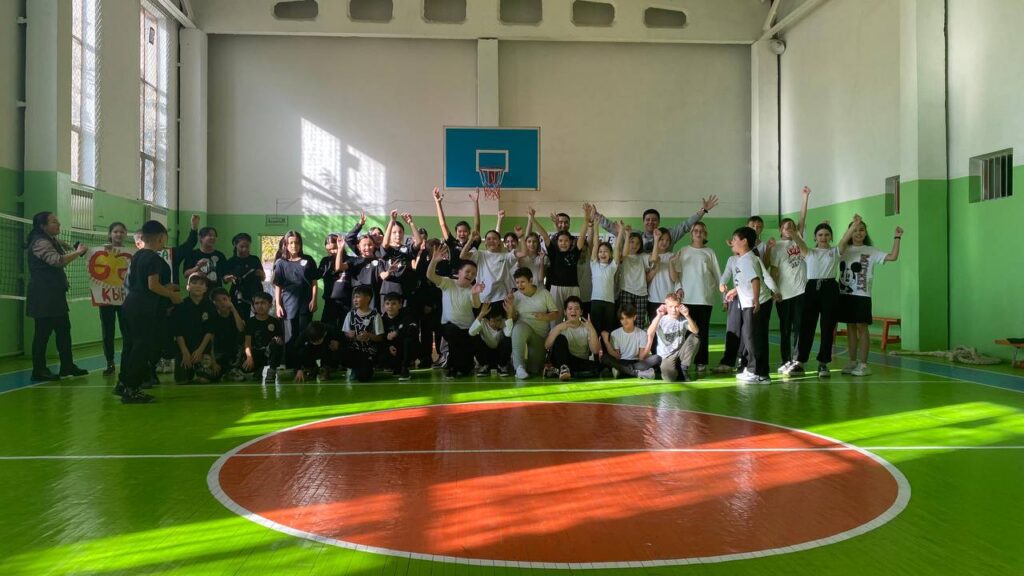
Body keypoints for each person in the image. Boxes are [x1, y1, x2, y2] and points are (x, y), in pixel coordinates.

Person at [118, 220, 182, 403]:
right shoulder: (153, 258)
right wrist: (172, 295)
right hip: (143, 308)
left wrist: (166, 287)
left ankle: (123, 383)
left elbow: (143, 284)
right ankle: (132, 389)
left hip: (130, 304)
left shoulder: (137, 256)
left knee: (131, 346)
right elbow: (152, 285)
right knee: (141, 347)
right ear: (161, 237)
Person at [25, 211, 89, 382]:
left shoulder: (48, 240)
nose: (58, 223)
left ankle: (67, 366)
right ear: (43, 226)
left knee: (63, 330)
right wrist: (78, 252)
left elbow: (55, 244)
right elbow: (58, 261)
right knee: (42, 333)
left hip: (54, 295)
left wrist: (62, 243)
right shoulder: (40, 242)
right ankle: (39, 370)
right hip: (43, 296)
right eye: (54, 222)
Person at [837, 214, 902, 376]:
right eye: (855, 230)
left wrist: (897, 237)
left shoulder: (871, 251)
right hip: (845, 295)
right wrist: (854, 224)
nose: (858, 233)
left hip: (862, 295)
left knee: (862, 327)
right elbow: (841, 242)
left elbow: (893, 256)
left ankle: (864, 364)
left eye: (861, 230)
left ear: (866, 232)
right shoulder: (843, 249)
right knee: (850, 328)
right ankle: (852, 361)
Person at [425, 243, 483, 379]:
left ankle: (463, 366)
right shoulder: (448, 283)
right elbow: (430, 275)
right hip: (449, 327)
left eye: (473, 274)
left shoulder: (472, 289)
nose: (470, 275)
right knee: (453, 335)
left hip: (467, 330)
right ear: (459, 272)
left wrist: (475, 294)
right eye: (467, 271)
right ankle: (452, 366)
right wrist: (434, 261)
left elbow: (476, 306)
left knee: (466, 369)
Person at [728, 226, 778, 384]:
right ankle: (762, 373)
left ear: (744, 241)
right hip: (757, 302)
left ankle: (753, 371)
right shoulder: (749, 258)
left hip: (755, 304)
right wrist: (735, 290)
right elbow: (754, 279)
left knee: (752, 338)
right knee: (757, 337)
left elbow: (755, 280)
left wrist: (756, 300)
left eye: (735, 239)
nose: (732, 242)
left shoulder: (746, 260)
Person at [674, 221, 722, 373]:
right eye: (695, 230)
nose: (698, 233)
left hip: (704, 299)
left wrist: (724, 298)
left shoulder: (710, 252)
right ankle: (684, 361)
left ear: (705, 234)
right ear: (691, 234)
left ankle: (701, 361)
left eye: (701, 231)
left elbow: (718, 275)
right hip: (686, 299)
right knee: (686, 332)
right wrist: (678, 288)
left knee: (702, 332)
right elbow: (677, 274)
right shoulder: (683, 251)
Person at [594, 195, 720, 252]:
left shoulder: (668, 235)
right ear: (643, 222)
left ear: (659, 222)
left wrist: (703, 211)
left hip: (662, 282)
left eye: (654, 220)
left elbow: (686, 225)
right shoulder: (635, 235)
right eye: (648, 219)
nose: (651, 222)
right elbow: (612, 228)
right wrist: (596, 215)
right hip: (640, 283)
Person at [767, 215, 809, 373]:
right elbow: (774, 270)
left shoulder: (799, 241)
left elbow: (802, 219)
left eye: (792, 226)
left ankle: (798, 360)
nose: (789, 229)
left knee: (800, 328)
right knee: (785, 329)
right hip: (784, 294)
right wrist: (774, 291)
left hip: (801, 292)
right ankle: (785, 360)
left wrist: (805, 201)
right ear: (780, 230)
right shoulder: (777, 247)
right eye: (786, 227)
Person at [273, 231, 319, 368]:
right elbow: (278, 286)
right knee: (290, 336)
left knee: (304, 335)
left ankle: (305, 365)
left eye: (297, 242)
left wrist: (314, 299)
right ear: (286, 245)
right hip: (288, 305)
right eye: (291, 243)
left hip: (306, 304)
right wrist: (278, 305)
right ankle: (291, 365)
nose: (294, 245)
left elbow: (314, 282)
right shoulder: (281, 263)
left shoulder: (308, 260)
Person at [508, 267, 560, 379]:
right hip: (523, 327)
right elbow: (512, 319)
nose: (520, 285)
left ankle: (526, 365)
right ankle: (519, 367)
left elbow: (556, 313)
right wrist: (510, 308)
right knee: (518, 329)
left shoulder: (544, 293)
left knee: (535, 369)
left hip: (540, 334)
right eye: (517, 282)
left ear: (531, 281)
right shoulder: (515, 296)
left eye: (522, 282)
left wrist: (545, 316)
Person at [543, 205, 590, 321]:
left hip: (572, 285)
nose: (563, 243)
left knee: (573, 318)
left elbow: (582, 235)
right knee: (555, 318)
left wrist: (587, 216)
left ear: (570, 242)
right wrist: (532, 219)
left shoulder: (574, 250)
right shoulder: (554, 249)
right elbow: (546, 236)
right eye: (561, 241)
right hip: (554, 284)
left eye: (566, 241)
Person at [646, 293, 700, 382]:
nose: (673, 310)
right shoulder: (661, 319)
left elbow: (696, 331)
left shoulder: (683, 320)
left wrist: (687, 315)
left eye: (676, 307)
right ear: (666, 307)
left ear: (680, 306)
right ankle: (677, 371)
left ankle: (684, 368)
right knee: (669, 378)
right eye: (670, 307)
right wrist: (659, 315)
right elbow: (649, 332)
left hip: (680, 354)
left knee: (695, 338)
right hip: (666, 356)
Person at [545, 296, 602, 381]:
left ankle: (559, 372)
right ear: (565, 312)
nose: (573, 311)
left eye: (576, 308)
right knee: (560, 338)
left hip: (578, 362)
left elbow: (595, 350)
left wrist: (591, 329)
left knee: (597, 368)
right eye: (570, 308)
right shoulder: (560, 327)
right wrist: (558, 328)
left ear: (581, 312)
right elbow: (547, 346)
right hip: (562, 361)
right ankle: (564, 370)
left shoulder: (587, 327)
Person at [98, 221, 130, 375]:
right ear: (110, 234)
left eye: (121, 232)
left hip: (124, 298)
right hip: (107, 298)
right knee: (108, 331)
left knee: (127, 330)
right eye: (116, 231)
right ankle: (109, 362)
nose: (118, 234)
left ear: (125, 234)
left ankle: (127, 360)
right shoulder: (101, 252)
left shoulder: (130, 253)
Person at [461, 229, 517, 312]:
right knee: (482, 320)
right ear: (485, 242)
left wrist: (521, 237)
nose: (492, 241)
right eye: (489, 239)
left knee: (501, 320)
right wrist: (471, 239)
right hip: (482, 298)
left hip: (500, 297)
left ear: (499, 242)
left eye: (494, 239)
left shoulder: (505, 256)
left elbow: (523, 253)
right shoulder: (479, 254)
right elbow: (462, 256)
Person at [173, 275, 216, 383]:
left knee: (204, 379)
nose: (198, 286)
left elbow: (209, 331)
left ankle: (199, 368)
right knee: (181, 380)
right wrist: (185, 352)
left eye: (201, 284)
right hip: (185, 348)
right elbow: (178, 332)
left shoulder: (210, 305)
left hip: (203, 349)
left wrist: (200, 350)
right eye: (194, 283)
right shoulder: (181, 305)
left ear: (205, 288)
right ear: (188, 287)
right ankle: (189, 369)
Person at [601, 304, 659, 379]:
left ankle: (622, 371)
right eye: (622, 318)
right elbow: (617, 356)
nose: (625, 321)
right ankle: (637, 373)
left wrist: (650, 339)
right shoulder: (615, 333)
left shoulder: (642, 334)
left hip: (636, 362)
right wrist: (606, 342)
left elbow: (641, 357)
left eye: (628, 318)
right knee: (605, 358)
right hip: (621, 361)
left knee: (657, 358)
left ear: (634, 317)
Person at [589, 217, 624, 340]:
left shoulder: (612, 267)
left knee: (607, 331)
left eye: (606, 251)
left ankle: (606, 350)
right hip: (596, 301)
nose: (602, 253)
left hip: (609, 303)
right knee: (595, 331)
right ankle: (595, 351)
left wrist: (620, 231)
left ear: (610, 254)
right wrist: (596, 226)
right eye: (600, 251)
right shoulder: (594, 265)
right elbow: (595, 244)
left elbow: (617, 247)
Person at [343, 285, 384, 382]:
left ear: (367, 298)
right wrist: (349, 335)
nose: (355, 300)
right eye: (354, 297)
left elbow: (380, 337)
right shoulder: (350, 315)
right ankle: (355, 368)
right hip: (354, 349)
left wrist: (369, 336)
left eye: (358, 297)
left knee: (363, 377)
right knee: (341, 353)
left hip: (369, 351)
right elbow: (345, 333)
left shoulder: (375, 315)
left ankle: (367, 368)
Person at [242, 292, 285, 383]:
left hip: (269, 353)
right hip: (256, 353)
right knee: (245, 370)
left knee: (276, 344)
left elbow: (280, 340)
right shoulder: (250, 322)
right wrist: (249, 358)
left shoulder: (274, 322)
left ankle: (272, 371)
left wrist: (279, 341)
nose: (259, 306)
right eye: (256, 303)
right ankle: (258, 369)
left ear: (270, 305)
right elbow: (247, 343)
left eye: (263, 303)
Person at [224, 232, 265, 321]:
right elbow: (225, 280)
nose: (245, 249)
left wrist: (261, 274)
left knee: (256, 320)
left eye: (247, 246)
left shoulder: (255, 259)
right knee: (238, 319)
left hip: (255, 294)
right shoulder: (231, 261)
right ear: (236, 245)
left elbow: (263, 278)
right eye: (242, 246)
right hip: (238, 295)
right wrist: (227, 278)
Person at [209, 287, 246, 381]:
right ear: (213, 302)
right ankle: (228, 371)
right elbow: (210, 342)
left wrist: (233, 309)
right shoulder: (212, 316)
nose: (222, 302)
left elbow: (241, 329)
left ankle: (233, 369)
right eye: (218, 300)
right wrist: (213, 362)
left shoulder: (237, 311)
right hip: (219, 352)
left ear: (229, 299)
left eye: (224, 299)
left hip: (235, 350)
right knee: (211, 376)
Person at [646, 227, 681, 329]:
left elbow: (674, 278)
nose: (664, 242)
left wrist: (671, 262)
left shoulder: (673, 256)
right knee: (654, 329)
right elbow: (646, 280)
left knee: (669, 329)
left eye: (667, 240)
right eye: (661, 239)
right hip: (653, 299)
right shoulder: (649, 257)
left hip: (669, 301)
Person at [380, 292, 417, 381]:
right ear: (384, 306)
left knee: (409, 340)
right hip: (392, 350)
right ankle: (393, 366)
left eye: (394, 304)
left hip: (404, 347)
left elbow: (413, 329)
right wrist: (389, 346)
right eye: (387, 304)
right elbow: (381, 337)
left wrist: (397, 332)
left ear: (400, 305)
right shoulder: (381, 320)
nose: (390, 306)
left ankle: (405, 368)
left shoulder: (407, 314)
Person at [470, 301, 514, 376]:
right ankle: (484, 366)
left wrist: (509, 315)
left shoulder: (504, 322)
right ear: (487, 320)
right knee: (475, 337)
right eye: (492, 320)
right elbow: (471, 332)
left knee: (508, 338)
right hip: (486, 355)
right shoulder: (483, 322)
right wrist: (481, 314)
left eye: (498, 320)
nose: (495, 323)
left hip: (500, 356)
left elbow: (509, 334)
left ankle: (502, 366)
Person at [618, 226, 650, 329]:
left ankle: (638, 340)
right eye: (632, 242)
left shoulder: (643, 256)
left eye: (637, 243)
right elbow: (624, 254)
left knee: (639, 322)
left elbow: (653, 259)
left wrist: (657, 238)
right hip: (626, 290)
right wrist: (627, 234)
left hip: (641, 293)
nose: (634, 245)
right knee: (626, 320)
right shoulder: (624, 256)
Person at [318, 233, 350, 329]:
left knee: (344, 330)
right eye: (329, 250)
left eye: (334, 248)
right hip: (330, 302)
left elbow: (339, 268)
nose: (332, 252)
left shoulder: (349, 260)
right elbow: (315, 275)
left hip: (346, 302)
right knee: (326, 328)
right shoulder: (325, 261)